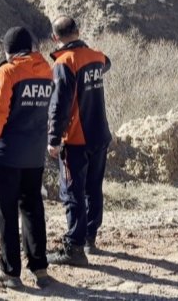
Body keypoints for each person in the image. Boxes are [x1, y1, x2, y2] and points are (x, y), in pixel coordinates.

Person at [0, 26, 54, 290]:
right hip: (34, 154)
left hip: (6, 155)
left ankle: (10, 272)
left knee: (6, 213)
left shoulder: (7, 72)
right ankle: (39, 267)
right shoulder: (46, 70)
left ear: (8, 51)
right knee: (33, 209)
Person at [46, 16, 112, 266]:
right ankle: (89, 238)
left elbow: (59, 105)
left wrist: (53, 138)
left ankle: (74, 247)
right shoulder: (96, 57)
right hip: (100, 134)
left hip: (76, 138)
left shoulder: (64, 63)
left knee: (72, 191)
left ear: (55, 38)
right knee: (93, 188)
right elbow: (107, 63)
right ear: (78, 30)